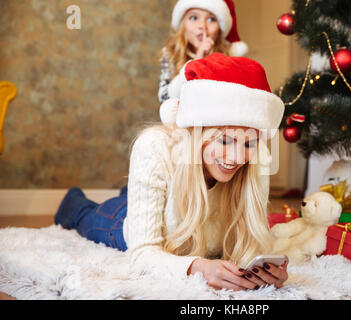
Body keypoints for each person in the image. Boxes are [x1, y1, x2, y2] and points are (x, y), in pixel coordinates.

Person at [55, 53, 287, 291]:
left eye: (249, 144)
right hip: (123, 223)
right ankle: (72, 201)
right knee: (86, 216)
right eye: (226, 141)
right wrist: (199, 268)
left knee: (134, 194)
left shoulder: (255, 162)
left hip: (168, 208)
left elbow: (252, 242)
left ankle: (131, 191)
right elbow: (143, 254)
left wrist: (264, 270)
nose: (238, 158)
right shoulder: (154, 147)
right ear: (199, 133)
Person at [158, 0, 248, 103]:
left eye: (211, 19)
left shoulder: (231, 57)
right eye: (193, 18)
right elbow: (164, 97)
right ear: (183, 24)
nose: (202, 26)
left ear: (220, 28)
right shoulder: (171, 54)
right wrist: (197, 61)